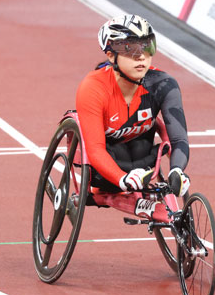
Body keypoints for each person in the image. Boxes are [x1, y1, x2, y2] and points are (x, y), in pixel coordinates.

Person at [75, 14, 191, 196]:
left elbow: (179, 140)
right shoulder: (92, 88)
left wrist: (177, 170)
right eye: (130, 50)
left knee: (143, 148)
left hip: (144, 160)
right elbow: (95, 149)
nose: (141, 58)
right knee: (114, 158)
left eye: (147, 48)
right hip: (107, 166)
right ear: (111, 56)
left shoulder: (164, 84)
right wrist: (122, 179)